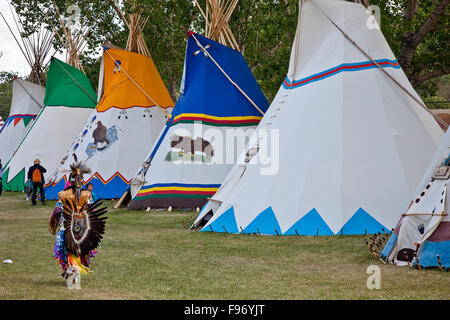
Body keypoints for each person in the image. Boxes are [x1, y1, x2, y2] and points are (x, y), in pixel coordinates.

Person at [48, 159, 107, 290]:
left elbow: (57, 210)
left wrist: (53, 221)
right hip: (83, 229)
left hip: (66, 228)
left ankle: (71, 274)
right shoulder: (87, 195)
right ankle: (72, 274)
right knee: (77, 253)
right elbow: (93, 212)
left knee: (66, 253)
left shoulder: (63, 194)